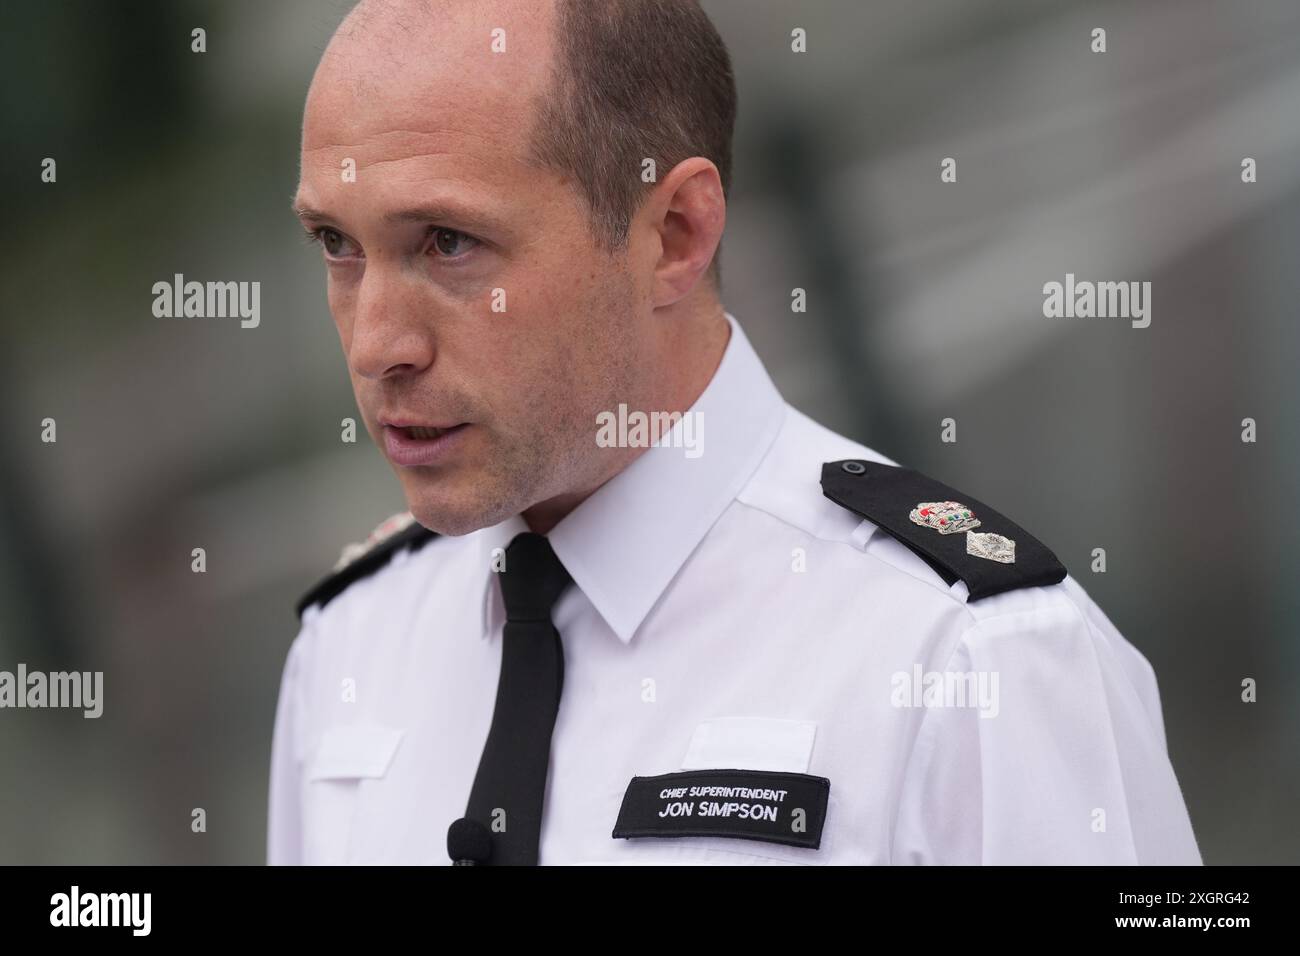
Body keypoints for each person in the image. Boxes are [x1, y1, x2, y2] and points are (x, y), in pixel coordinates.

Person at [269, 0, 1201, 865]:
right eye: (336, 245)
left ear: (675, 234)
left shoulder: (969, 662)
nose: (376, 343)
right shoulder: (349, 648)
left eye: (447, 242)